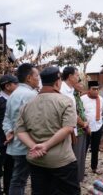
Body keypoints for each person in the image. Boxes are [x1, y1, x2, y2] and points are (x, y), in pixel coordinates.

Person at [16, 67, 79, 195]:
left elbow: (20, 131)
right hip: (61, 161)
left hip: (36, 159)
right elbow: (68, 128)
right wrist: (46, 145)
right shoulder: (65, 101)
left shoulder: (27, 104)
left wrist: (34, 146)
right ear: (57, 82)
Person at [2, 63, 39, 195]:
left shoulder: (13, 94)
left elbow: (6, 118)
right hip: (27, 146)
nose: (38, 78)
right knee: (25, 180)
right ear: (29, 78)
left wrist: (8, 132)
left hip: (16, 145)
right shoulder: (31, 95)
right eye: (37, 75)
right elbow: (35, 122)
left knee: (18, 179)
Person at [81, 81, 103, 174]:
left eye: (97, 89)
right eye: (93, 89)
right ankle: (81, 169)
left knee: (95, 148)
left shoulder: (101, 99)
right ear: (89, 90)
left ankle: (94, 167)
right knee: (84, 149)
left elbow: (101, 111)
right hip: (86, 128)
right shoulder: (82, 99)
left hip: (98, 126)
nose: (96, 91)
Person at [73, 80, 90, 193]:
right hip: (77, 131)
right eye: (79, 83)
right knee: (77, 156)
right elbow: (75, 115)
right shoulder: (72, 97)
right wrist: (84, 124)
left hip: (82, 129)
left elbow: (82, 112)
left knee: (81, 155)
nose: (82, 85)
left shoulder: (78, 96)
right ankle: (75, 179)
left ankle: (79, 177)